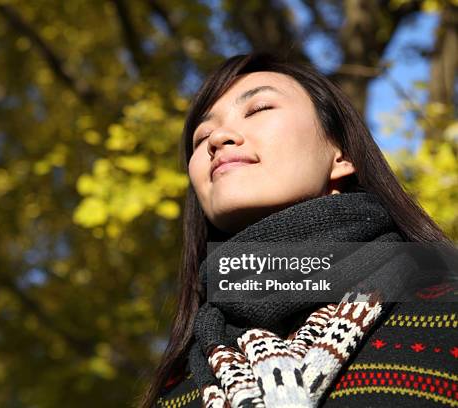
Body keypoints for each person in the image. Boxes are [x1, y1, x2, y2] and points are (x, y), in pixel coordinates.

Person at [139, 52, 456, 408]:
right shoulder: (177, 387)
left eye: (258, 109)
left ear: (342, 154)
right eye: (202, 137)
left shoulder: (444, 312)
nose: (218, 139)